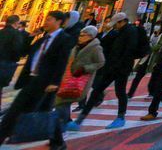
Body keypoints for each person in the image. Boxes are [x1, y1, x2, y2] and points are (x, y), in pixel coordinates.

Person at [0, 11, 73, 145]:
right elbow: (23, 52)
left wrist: (55, 82)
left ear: (58, 22)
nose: (45, 22)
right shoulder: (42, 39)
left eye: (49, 20)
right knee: (16, 109)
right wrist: (30, 36)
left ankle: (57, 141)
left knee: (43, 112)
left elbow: (62, 62)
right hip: (31, 80)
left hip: (46, 83)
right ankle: (3, 134)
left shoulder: (65, 39)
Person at [67, 10, 139, 130]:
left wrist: (118, 64)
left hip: (121, 68)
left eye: (116, 23)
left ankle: (120, 117)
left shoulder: (131, 32)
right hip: (112, 67)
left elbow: (129, 51)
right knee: (98, 91)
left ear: (122, 22)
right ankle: (80, 119)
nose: (114, 25)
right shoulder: (119, 32)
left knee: (119, 92)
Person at [48, 25, 104, 150]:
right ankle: (60, 133)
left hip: (79, 82)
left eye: (82, 35)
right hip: (68, 79)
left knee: (59, 106)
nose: (80, 37)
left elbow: (101, 62)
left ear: (90, 36)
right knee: (62, 105)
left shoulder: (96, 48)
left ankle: (57, 137)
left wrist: (85, 68)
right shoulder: (77, 46)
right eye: (80, 35)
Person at [128, 22, 162, 98]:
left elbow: (159, 46)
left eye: (159, 26)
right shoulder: (153, 34)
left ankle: (152, 92)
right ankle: (130, 93)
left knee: (154, 77)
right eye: (156, 25)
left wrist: (150, 48)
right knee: (138, 76)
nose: (156, 27)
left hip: (155, 59)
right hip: (146, 57)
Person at [0, 15, 28, 105]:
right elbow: (17, 50)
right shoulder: (16, 34)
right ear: (16, 23)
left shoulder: (1, 32)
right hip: (6, 65)